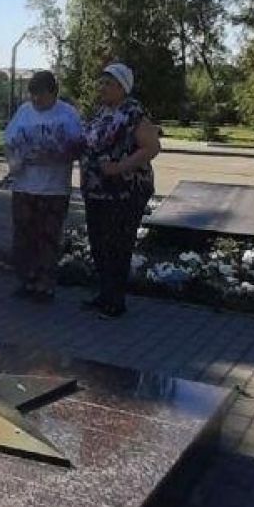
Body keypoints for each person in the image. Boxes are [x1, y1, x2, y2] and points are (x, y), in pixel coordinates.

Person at [80, 62, 160, 319]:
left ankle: (116, 301)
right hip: (96, 191)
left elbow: (152, 147)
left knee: (118, 244)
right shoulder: (101, 112)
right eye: (100, 82)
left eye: (108, 83)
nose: (101, 87)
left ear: (122, 87)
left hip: (125, 191)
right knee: (99, 243)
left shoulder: (133, 112)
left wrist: (119, 167)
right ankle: (104, 294)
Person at [2, 70, 82, 301]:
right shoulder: (25, 111)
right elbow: (8, 142)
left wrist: (55, 154)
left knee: (48, 237)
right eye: (33, 94)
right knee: (24, 236)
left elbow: (78, 148)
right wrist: (12, 161)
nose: (36, 99)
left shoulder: (67, 115)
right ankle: (26, 280)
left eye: (41, 95)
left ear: (53, 93)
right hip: (24, 186)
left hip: (53, 189)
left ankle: (45, 283)